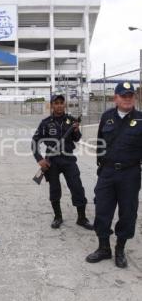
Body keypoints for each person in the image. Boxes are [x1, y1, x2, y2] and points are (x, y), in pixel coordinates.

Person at [86, 81, 142, 268]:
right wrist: (101, 168)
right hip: (107, 172)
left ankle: (120, 249)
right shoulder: (107, 117)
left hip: (130, 174)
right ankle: (104, 248)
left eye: (130, 95)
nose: (127, 99)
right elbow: (100, 143)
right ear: (115, 98)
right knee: (102, 210)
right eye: (123, 95)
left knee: (128, 213)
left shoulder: (141, 119)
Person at [32, 93, 93, 230]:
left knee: (77, 187)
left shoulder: (71, 121)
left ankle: (82, 218)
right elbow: (34, 141)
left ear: (64, 104)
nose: (59, 105)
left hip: (68, 159)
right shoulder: (45, 123)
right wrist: (40, 159)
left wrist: (76, 130)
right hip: (51, 160)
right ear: (52, 105)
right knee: (54, 189)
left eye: (61, 103)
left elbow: (77, 139)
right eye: (56, 103)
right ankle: (57, 217)